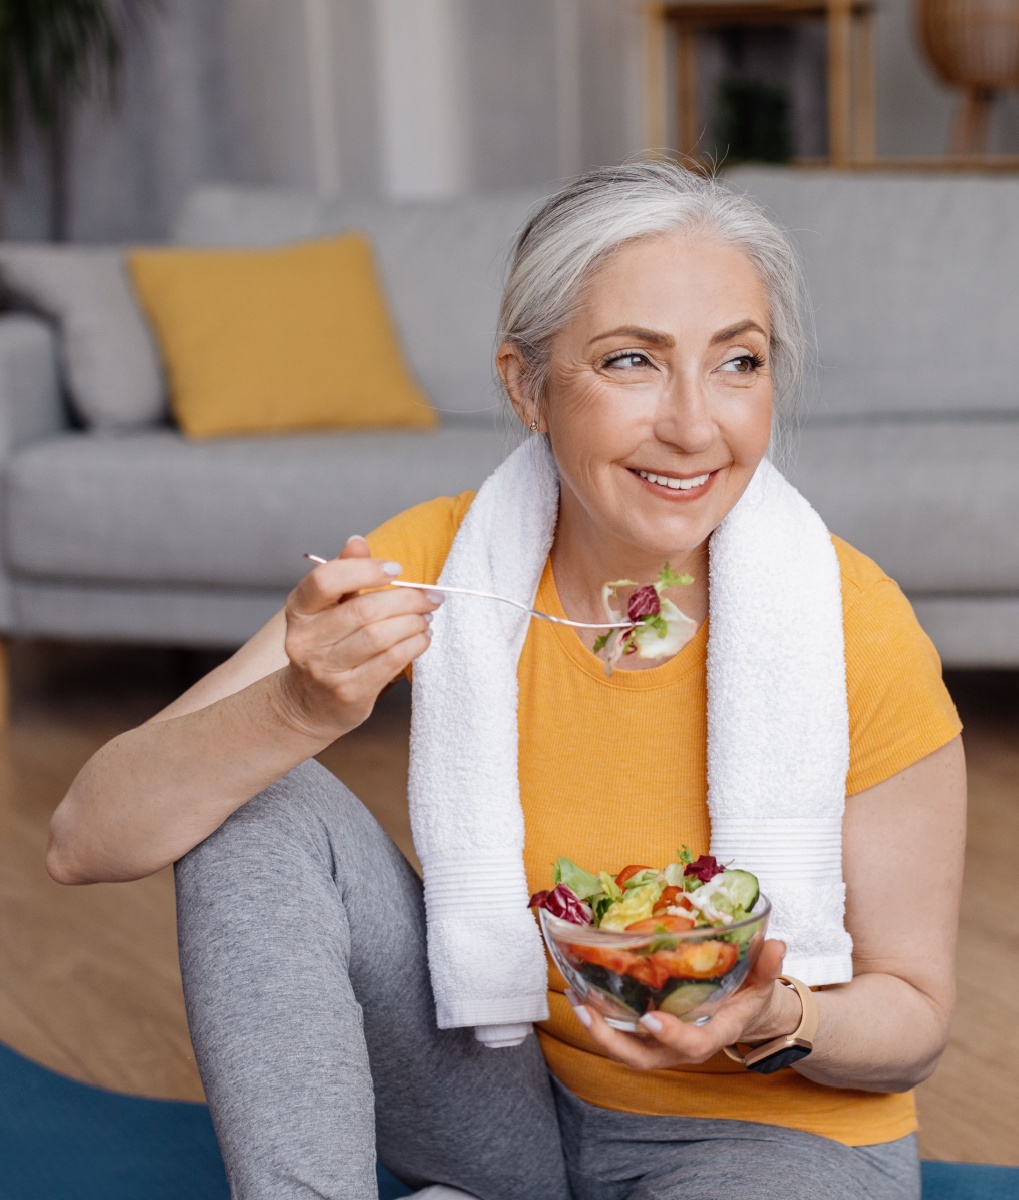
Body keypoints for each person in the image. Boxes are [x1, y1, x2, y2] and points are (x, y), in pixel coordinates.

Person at [47, 162, 966, 1200]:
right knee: (257, 798)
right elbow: (85, 838)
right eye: (632, 361)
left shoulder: (853, 621)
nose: (695, 424)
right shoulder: (440, 562)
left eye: (738, 363)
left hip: (770, 1143)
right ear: (525, 385)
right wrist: (294, 709)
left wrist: (775, 1015)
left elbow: (915, 1021)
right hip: (505, 1105)